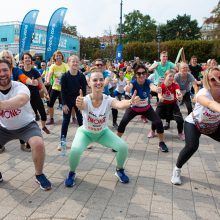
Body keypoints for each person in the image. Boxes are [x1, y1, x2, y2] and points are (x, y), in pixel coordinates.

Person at [64, 67, 141, 187]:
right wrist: (78, 104)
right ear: (89, 83)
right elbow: (81, 105)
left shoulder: (108, 99)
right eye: (95, 80)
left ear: (104, 82)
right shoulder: (85, 99)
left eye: (101, 80)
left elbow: (120, 104)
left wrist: (130, 102)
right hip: (85, 133)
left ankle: (119, 170)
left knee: (123, 147)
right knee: (75, 150)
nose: (98, 82)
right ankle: (71, 173)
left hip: (103, 133)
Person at [0, 59, 51, 190]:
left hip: (26, 125)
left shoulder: (20, 86)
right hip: (4, 128)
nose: (2, 73)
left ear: (11, 71)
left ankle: (39, 175)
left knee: (38, 144)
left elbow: (21, 100)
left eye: (5, 70)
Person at [171, 67, 220, 185]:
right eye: (213, 80)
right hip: (194, 124)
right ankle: (177, 169)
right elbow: (209, 103)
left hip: (213, 125)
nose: (217, 81)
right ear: (208, 82)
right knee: (192, 146)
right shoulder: (203, 93)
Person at [117, 64, 169, 152]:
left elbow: (152, 86)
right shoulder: (133, 83)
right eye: (139, 73)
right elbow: (129, 88)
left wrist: (157, 89)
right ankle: (116, 142)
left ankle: (161, 142)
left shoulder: (148, 82)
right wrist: (127, 88)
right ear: (135, 74)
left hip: (146, 109)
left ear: (146, 74)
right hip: (133, 108)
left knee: (158, 122)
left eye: (143, 73)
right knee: (123, 122)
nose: (141, 75)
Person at [58, 55, 87, 150]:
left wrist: (82, 103)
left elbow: (84, 91)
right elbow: (62, 92)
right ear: (68, 63)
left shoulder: (81, 76)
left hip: (78, 100)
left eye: (76, 62)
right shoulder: (65, 76)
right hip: (67, 100)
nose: (75, 63)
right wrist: (64, 104)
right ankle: (62, 143)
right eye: (73, 61)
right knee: (65, 121)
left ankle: (85, 141)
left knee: (81, 121)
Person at [148, 69, 185, 141]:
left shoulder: (175, 85)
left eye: (173, 76)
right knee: (155, 118)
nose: (172, 78)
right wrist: (160, 97)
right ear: (165, 76)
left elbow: (178, 91)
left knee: (180, 120)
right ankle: (152, 131)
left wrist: (179, 95)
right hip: (162, 104)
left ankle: (180, 133)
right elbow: (159, 94)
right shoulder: (161, 85)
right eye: (170, 76)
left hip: (173, 104)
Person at [46, 50, 69, 125]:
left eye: (60, 55)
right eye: (57, 55)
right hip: (55, 88)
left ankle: (66, 119)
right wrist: (48, 80)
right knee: (50, 104)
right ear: (54, 57)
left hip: (64, 89)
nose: (58, 57)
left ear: (62, 57)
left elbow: (68, 74)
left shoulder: (65, 65)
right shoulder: (53, 66)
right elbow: (49, 74)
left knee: (65, 104)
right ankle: (51, 118)